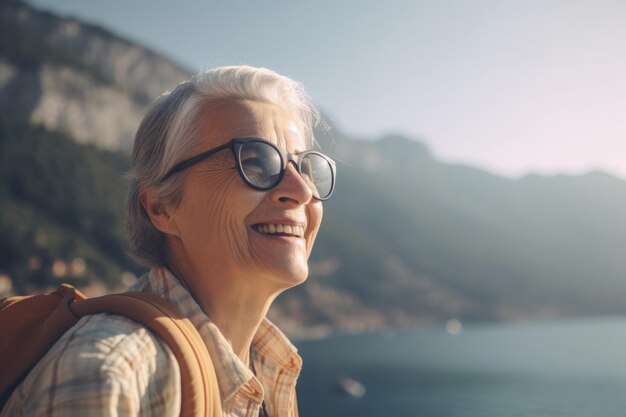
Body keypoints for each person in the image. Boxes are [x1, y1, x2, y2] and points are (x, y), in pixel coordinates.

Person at [1, 65, 336, 417]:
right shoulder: (110, 378)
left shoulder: (268, 367)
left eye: (304, 168)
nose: (301, 191)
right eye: (256, 161)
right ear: (161, 207)